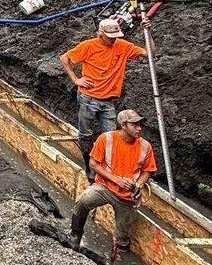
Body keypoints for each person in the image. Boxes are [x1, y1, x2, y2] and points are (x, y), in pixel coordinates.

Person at [60, 17, 148, 182]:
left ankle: (107, 172)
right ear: (100, 34)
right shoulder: (89, 46)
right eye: (110, 37)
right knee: (86, 135)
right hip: (88, 98)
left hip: (108, 101)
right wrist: (76, 79)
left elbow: (149, 53)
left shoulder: (122, 46)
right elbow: (64, 58)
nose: (113, 40)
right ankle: (91, 173)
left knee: (109, 137)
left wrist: (146, 32)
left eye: (116, 36)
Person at [69, 110, 156, 253]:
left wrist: (138, 185)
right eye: (134, 125)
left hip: (127, 196)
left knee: (122, 238)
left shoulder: (145, 146)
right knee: (83, 201)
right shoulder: (106, 139)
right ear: (123, 125)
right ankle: (75, 236)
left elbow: (148, 170)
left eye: (140, 125)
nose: (139, 128)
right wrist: (117, 180)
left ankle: (119, 254)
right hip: (105, 187)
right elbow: (93, 164)